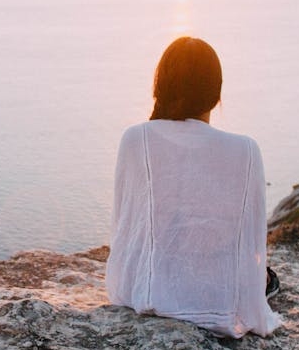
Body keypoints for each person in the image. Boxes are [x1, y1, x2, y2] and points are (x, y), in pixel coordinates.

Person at [105, 37, 281, 338]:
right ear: (215, 94)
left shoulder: (135, 139)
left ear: (160, 85)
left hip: (147, 293)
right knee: (267, 278)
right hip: (217, 297)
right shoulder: (246, 150)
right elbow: (251, 239)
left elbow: (125, 229)